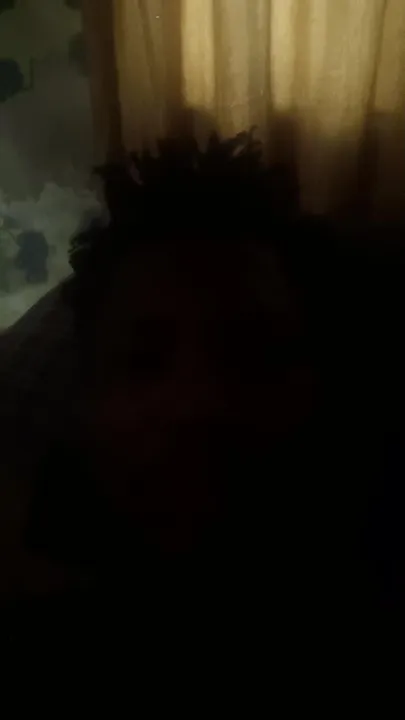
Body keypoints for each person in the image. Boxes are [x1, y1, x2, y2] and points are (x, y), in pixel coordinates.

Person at [0, 133, 398, 704]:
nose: (198, 406)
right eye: (142, 362)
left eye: (256, 355)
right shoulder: (56, 523)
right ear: (86, 403)